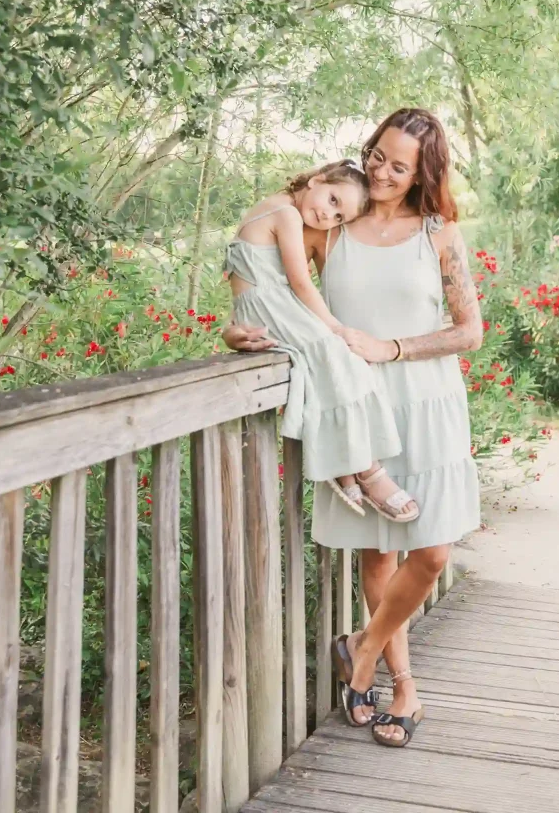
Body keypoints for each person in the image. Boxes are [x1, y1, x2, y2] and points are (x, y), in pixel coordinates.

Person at [224, 108, 482, 748]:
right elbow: (258, 282)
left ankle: (359, 654)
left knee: (431, 552)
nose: (383, 171)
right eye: (377, 155)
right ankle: (403, 685)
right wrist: (234, 327)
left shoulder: (439, 234)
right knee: (379, 553)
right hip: (358, 405)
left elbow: (468, 331)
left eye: (400, 165)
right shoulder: (330, 225)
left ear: (424, 172)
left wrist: (389, 348)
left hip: (429, 401)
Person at [224, 158, 420, 521]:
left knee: (332, 363)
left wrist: (233, 323)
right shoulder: (287, 214)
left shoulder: (270, 207)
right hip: (273, 305)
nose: (328, 217)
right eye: (332, 200)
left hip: (260, 308)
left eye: (338, 217)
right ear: (315, 180)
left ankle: (346, 464)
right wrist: (334, 326)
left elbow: (244, 277)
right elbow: (299, 281)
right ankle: (366, 468)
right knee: (337, 352)